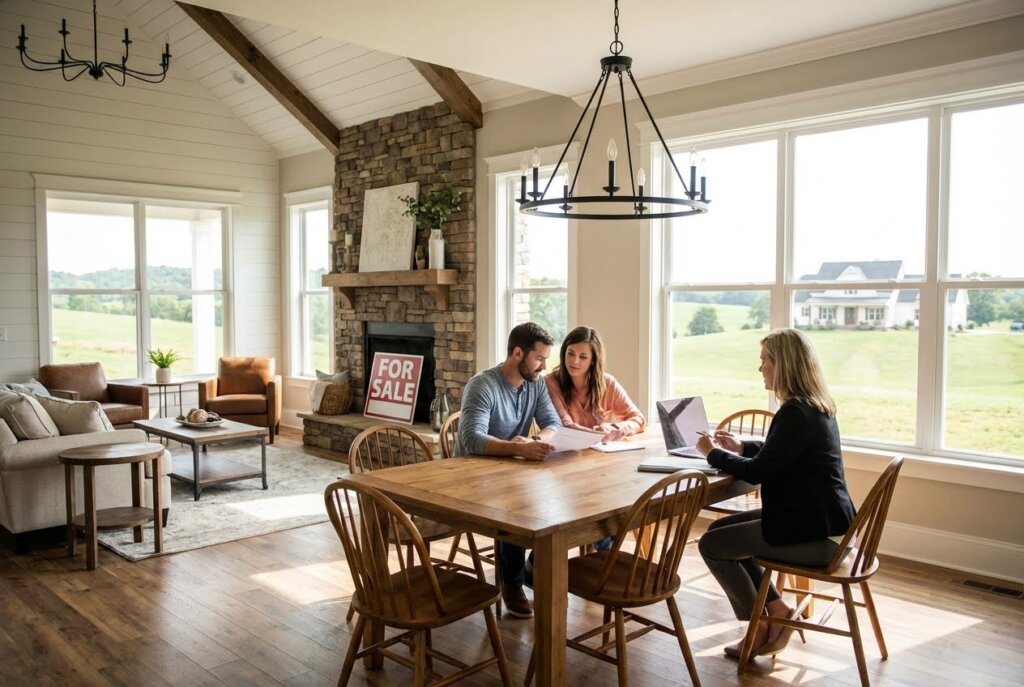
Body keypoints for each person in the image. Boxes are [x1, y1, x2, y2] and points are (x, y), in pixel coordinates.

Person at [696, 328, 856, 659]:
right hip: (826, 525)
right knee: (718, 531)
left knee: (711, 546)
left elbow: (758, 472)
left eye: (764, 361)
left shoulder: (795, 412)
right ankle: (776, 609)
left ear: (782, 365)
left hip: (819, 538)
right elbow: (781, 452)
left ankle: (759, 622)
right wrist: (742, 445)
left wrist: (711, 453)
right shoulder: (813, 406)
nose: (761, 368)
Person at [455, 321, 562, 618]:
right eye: (539, 358)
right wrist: (519, 448)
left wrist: (535, 440)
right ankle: (512, 583)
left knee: (558, 499)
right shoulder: (483, 385)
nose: (543, 367)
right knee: (516, 505)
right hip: (468, 477)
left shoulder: (535, 384)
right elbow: (471, 440)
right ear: (518, 353)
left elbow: (554, 424)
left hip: (510, 470)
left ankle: (532, 567)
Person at [544, 325, 647, 442]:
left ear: (593, 360)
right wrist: (598, 435)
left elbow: (639, 419)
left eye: (583, 357)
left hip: (599, 454)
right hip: (566, 454)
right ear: (564, 353)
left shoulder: (608, 384)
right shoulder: (551, 382)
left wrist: (615, 428)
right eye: (570, 353)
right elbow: (566, 425)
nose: (574, 361)